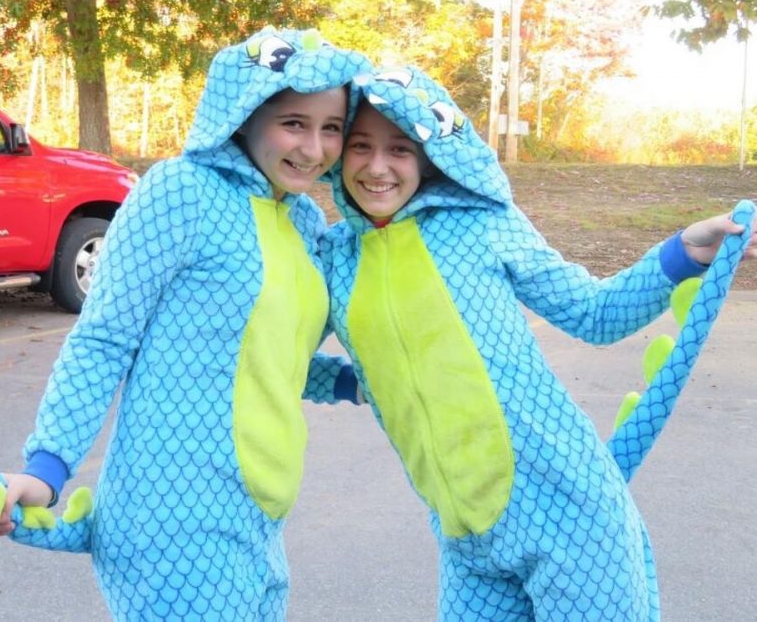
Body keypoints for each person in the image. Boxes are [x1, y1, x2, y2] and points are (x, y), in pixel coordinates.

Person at [319, 65, 756, 621]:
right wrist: (364, 381)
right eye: (361, 145)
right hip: (465, 538)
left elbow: (596, 314)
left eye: (400, 149)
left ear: (430, 157)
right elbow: (281, 358)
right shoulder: (334, 259)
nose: (378, 166)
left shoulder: (479, 225)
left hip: (573, 518)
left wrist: (686, 251)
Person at [0, 28, 370, 621]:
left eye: (331, 127)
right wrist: (47, 470)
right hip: (175, 516)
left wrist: (357, 382)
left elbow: (264, 358)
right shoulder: (181, 192)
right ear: (244, 114)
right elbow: (104, 339)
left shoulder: (302, 220)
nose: (314, 148)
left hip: (258, 514)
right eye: (293, 123)